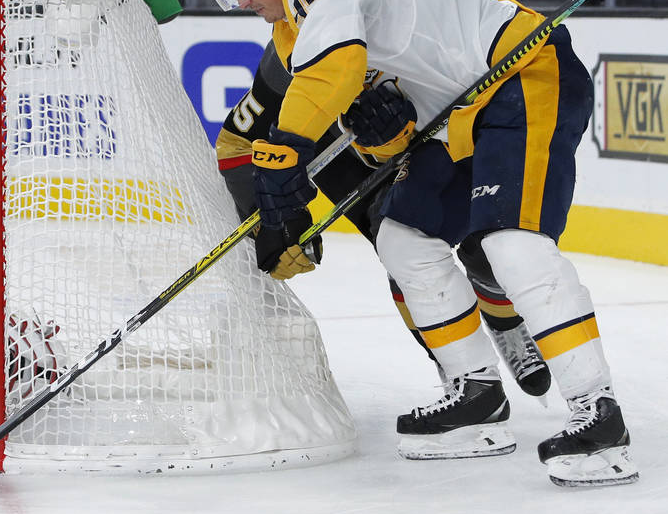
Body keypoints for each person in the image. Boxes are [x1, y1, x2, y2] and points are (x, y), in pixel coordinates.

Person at [206, 0, 638, 487]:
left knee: (510, 243)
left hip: (521, 72)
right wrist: (384, 138)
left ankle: (598, 412)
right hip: (461, 113)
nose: (244, 0)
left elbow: (332, 71)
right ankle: (476, 396)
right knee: (403, 238)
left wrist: (283, 155)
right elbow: (389, 127)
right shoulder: (294, 33)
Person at [218, 30, 551, 399]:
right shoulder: (287, 51)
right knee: (400, 246)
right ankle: (456, 365)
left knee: (484, 237)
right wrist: (271, 217)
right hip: (342, 152)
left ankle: (505, 324)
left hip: (430, 133)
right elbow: (235, 143)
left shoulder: (406, 9)